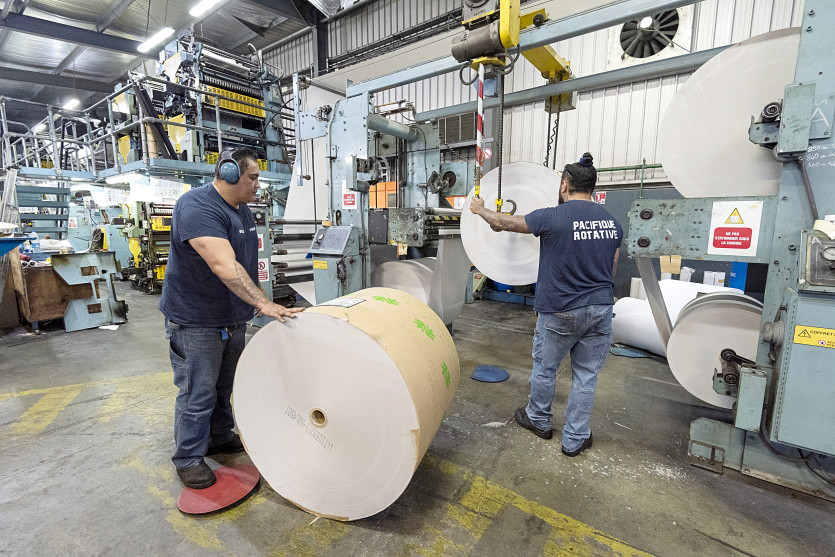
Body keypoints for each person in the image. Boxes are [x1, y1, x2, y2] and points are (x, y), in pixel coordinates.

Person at [159, 147, 304, 488]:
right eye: (253, 177)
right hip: (196, 320)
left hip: (231, 317)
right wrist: (264, 303)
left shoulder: (243, 211)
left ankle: (218, 436)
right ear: (228, 173)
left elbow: (247, 263)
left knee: (224, 386)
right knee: (197, 393)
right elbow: (223, 264)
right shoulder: (197, 206)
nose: (258, 185)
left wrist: (254, 302)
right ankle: (188, 457)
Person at [469, 152, 621, 457]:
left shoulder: (553, 216)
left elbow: (503, 222)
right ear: (592, 187)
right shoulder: (613, 223)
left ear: (564, 184)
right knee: (586, 376)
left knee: (545, 369)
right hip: (600, 308)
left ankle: (538, 419)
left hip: (559, 309)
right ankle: (575, 438)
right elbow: (612, 265)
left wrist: (479, 209)